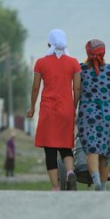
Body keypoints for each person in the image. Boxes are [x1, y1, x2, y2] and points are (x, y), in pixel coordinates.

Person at [26, 29, 82, 191]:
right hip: (66, 109)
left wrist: (32, 107)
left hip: (48, 110)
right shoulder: (73, 63)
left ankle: (56, 187)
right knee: (65, 146)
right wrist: (74, 106)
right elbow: (77, 88)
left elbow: (36, 87)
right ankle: (70, 171)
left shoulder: (41, 63)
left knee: (50, 150)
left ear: (49, 43)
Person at [76, 38, 110, 191]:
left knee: (92, 148)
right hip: (109, 114)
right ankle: (103, 185)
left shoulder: (80, 69)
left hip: (88, 114)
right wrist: (108, 102)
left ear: (87, 52)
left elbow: (77, 91)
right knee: (105, 151)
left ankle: (96, 179)